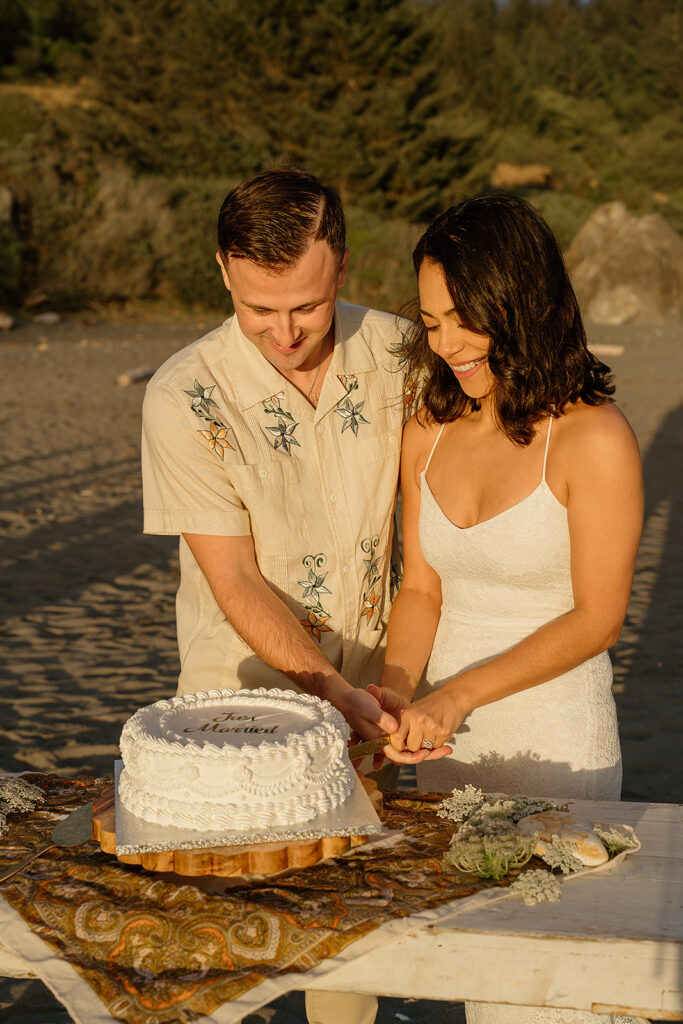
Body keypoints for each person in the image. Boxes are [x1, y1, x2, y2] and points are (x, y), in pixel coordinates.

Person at [141, 167, 427, 1024]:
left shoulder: (403, 352)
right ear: (223, 269)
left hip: (378, 688)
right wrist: (326, 690)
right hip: (237, 705)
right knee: (229, 949)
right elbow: (232, 576)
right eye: (258, 308)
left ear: (340, 265)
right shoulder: (182, 394)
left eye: (303, 305)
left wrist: (387, 685)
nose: (284, 331)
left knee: (349, 935)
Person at [370, 193, 644, 1024]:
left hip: (554, 745)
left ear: (517, 306)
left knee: (538, 1002)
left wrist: (457, 694)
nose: (444, 344)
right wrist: (392, 693)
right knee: (459, 986)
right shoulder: (429, 427)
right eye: (429, 322)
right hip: (440, 749)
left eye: (462, 320)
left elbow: (596, 620)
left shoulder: (593, 439)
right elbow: (420, 587)